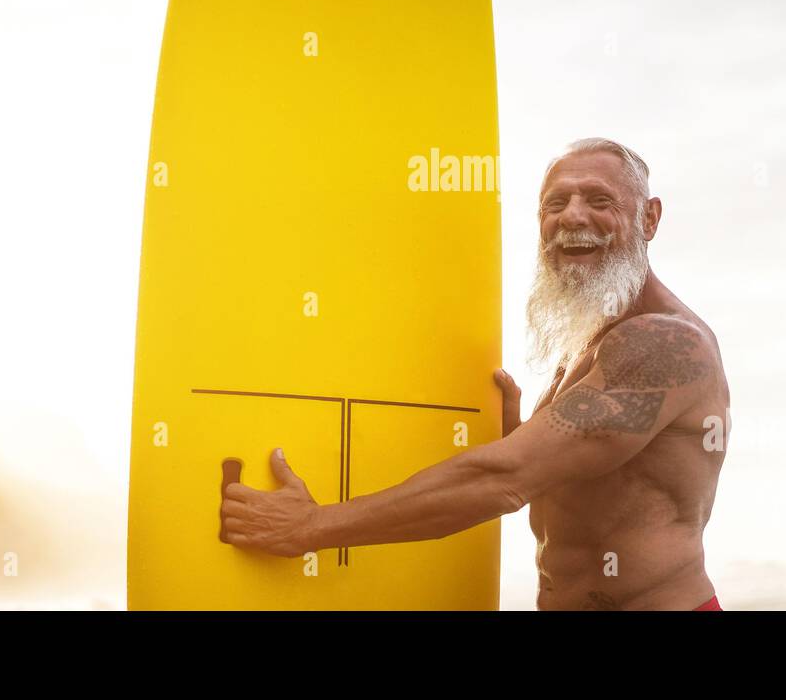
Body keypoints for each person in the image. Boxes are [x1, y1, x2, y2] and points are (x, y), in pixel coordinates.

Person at [220, 137, 731, 610]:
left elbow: (505, 479)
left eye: (599, 201)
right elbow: (554, 483)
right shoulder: (587, 345)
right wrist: (515, 438)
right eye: (555, 204)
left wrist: (312, 526)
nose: (573, 216)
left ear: (649, 218)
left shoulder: (664, 344)